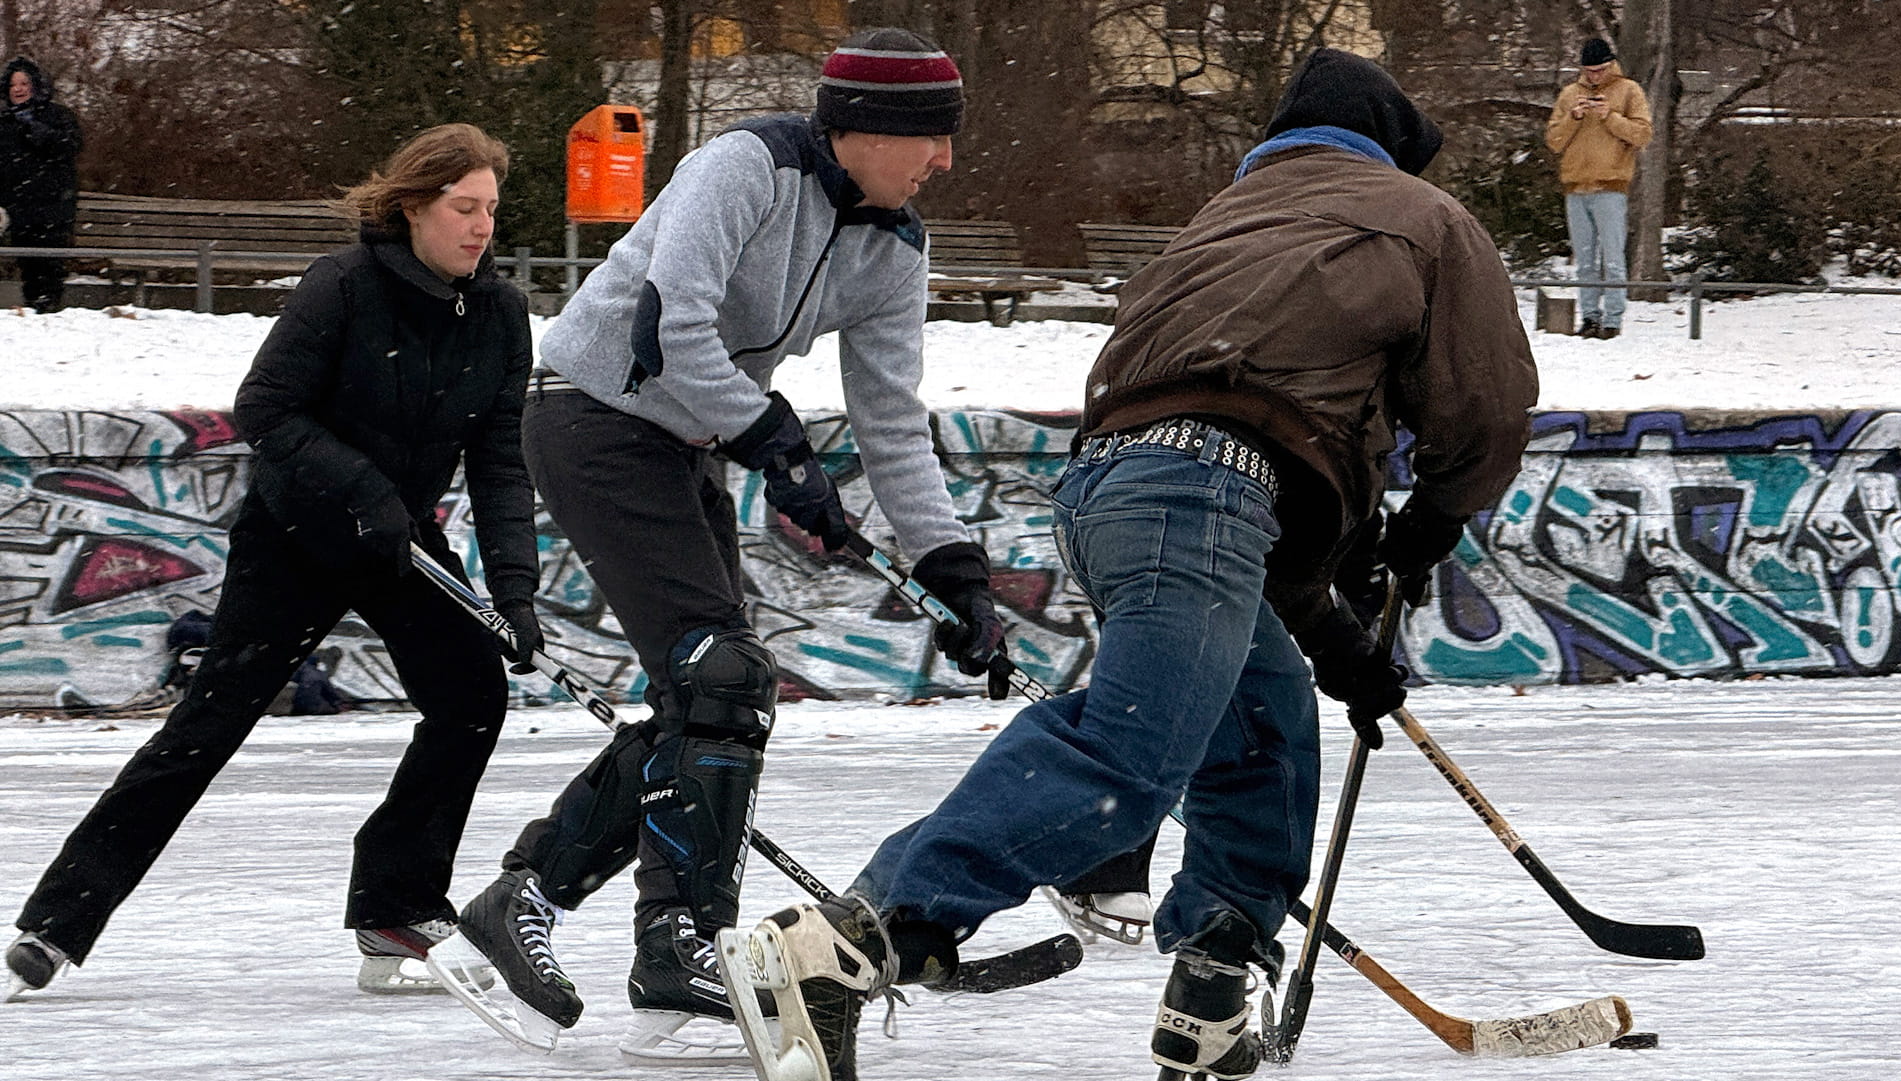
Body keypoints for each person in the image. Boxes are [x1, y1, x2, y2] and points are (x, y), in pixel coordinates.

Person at [717, 48, 1539, 1081]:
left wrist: (1335, 643)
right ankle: (855, 938)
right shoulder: (1423, 218)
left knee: (1262, 730)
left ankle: (1214, 986)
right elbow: (1487, 408)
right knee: (1131, 752)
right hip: (1203, 496)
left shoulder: (1223, 224)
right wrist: (1431, 525)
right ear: (1393, 151)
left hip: (1118, 493)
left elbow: (1243, 452)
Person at [431, 27, 1005, 1063]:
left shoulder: (895, 245)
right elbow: (669, 329)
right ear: (869, 128)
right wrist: (770, 437)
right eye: (933, 137)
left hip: (685, 440)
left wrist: (949, 563)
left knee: (712, 696)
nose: (946, 160)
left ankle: (544, 903)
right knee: (721, 672)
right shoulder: (746, 167)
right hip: (592, 414)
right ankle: (679, 943)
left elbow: (890, 418)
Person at [4, 123, 542, 1002]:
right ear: (413, 207)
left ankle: (396, 906)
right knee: (205, 729)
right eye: (462, 207)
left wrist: (515, 591)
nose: (481, 226)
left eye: (490, 208)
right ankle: (56, 924)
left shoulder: (498, 313)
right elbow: (265, 407)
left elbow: (499, 461)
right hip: (295, 539)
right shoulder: (344, 285)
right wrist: (362, 487)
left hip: (397, 545)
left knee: (472, 695)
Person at [1545, 37, 1651, 340]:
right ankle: (1589, 317)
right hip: (1576, 187)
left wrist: (1610, 116)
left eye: (1600, 70)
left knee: (1613, 258)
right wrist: (1574, 117)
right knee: (1584, 261)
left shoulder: (1629, 90)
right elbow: (1554, 141)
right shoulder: (1569, 94)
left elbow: (1643, 134)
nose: (1595, 77)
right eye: (1589, 71)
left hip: (1611, 186)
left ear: (1611, 65)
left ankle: (1613, 319)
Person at [0, 56, 83, 313]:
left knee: (50, 263)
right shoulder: (4, 122)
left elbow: (72, 146)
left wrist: (46, 136)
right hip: (18, 206)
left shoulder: (57, 116)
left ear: (36, 85)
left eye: (24, 83)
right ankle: (34, 307)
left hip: (53, 205)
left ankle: (49, 306)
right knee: (28, 263)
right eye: (13, 84)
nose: (18, 89)